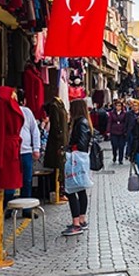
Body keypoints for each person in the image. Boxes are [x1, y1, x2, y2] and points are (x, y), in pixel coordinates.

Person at [5, 89, 41, 218]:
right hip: (12, 151)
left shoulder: (27, 112)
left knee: (27, 180)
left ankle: (27, 209)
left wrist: (36, 148)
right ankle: (8, 207)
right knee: (10, 180)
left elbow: (34, 131)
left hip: (25, 151)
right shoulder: (7, 111)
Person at [62, 99, 93, 236]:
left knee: (72, 189)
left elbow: (81, 143)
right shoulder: (85, 122)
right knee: (80, 189)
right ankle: (81, 220)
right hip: (81, 158)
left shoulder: (80, 123)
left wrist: (68, 148)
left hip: (77, 158)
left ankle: (76, 223)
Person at [107, 100, 127, 165]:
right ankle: (114, 155)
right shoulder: (112, 113)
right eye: (117, 106)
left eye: (119, 106)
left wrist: (125, 130)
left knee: (121, 146)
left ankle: (120, 159)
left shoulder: (124, 113)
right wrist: (108, 131)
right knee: (114, 145)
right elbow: (109, 122)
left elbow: (126, 122)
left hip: (122, 131)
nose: (118, 107)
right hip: (114, 131)